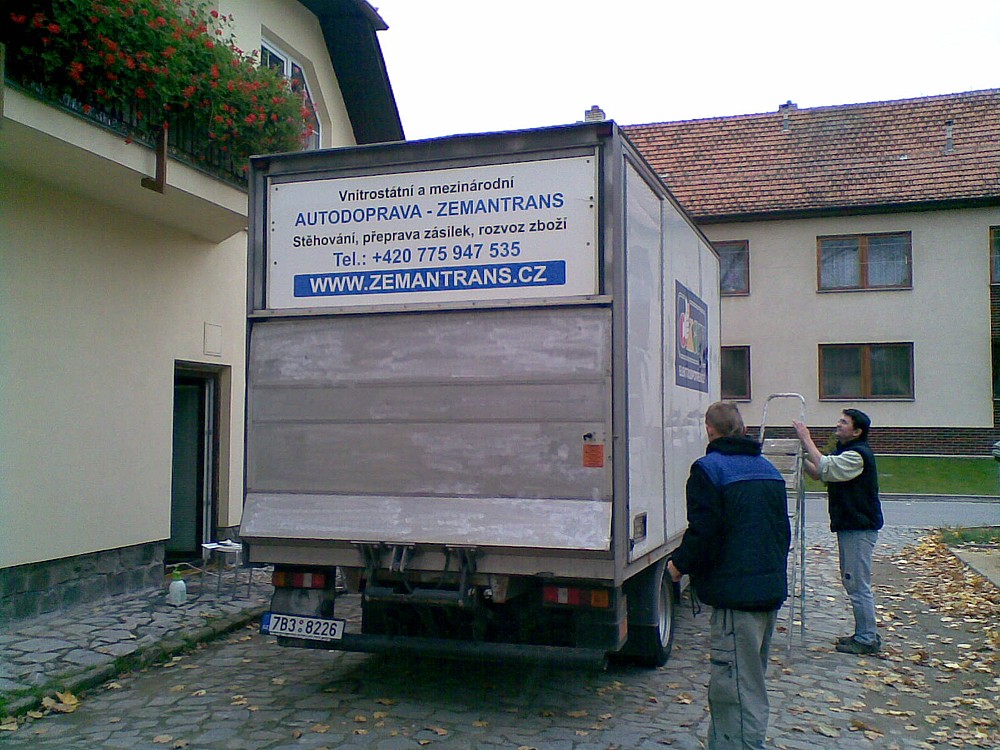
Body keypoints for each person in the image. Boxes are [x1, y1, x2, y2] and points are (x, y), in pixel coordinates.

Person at [668, 401, 791, 750]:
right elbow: (782, 533)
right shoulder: (768, 469)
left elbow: (704, 534)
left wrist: (678, 566)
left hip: (737, 602)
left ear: (709, 430)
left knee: (735, 691)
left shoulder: (709, 470)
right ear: (742, 428)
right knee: (749, 682)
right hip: (768, 592)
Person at [793, 409, 883, 655]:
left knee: (857, 583)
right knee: (852, 581)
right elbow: (819, 472)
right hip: (850, 526)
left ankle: (867, 638)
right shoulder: (845, 452)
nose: (839, 425)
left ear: (857, 431)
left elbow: (825, 467)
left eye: (844, 422)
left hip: (859, 527)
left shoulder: (857, 455)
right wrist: (800, 457)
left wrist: (806, 438)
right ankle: (863, 633)